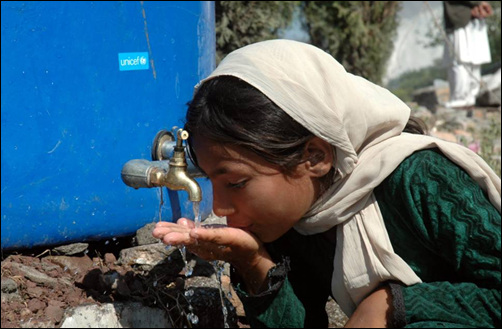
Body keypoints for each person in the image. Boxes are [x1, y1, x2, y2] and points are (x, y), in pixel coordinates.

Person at [152, 39, 501, 328]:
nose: (220, 208)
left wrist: (392, 305)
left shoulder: (421, 179)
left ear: (315, 157)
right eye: (212, 182)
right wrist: (254, 262)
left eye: (237, 182)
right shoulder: (301, 218)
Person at [443, 1, 493, 108]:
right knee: (462, 60)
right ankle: (464, 97)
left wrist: (480, 3)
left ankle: (465, 97)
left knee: (466, 60)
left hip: (468, 20)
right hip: (462, 20)